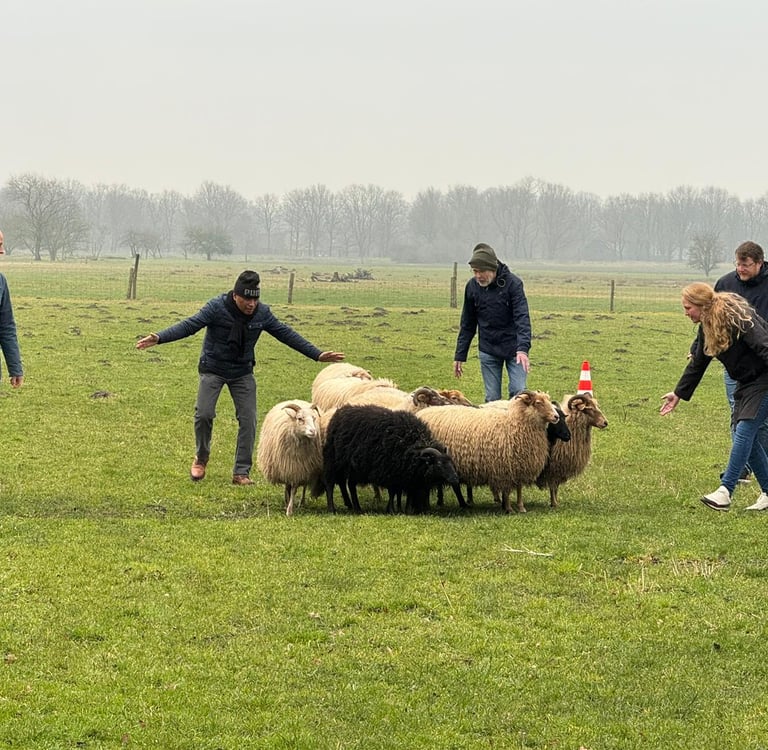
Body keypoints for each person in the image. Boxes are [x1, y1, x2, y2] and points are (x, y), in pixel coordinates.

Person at [136, 270, 344, 485]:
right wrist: (160, 337)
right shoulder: (216, 307)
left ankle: (241, 472)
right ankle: (201, 457)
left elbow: (285, 333)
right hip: (213, 368)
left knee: (248, 419)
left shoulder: (262, 313)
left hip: (242, 371)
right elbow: (190, 325)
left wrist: (316, 354)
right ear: (235, 295)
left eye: (255, 298)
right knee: (204, 415)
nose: (251, 304)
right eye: (247, 298)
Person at [660, 282, 768, 511]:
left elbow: (764, 345)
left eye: (688, 307)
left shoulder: (738, 316)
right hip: (746, 382)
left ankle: (725, 490)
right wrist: (678, 393)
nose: (685, 312)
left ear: (701, 305)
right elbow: (699, 362)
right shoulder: (707, 325)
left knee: (745, 429)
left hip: (764, 379)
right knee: (752, 437)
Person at [713, 241, 768, 481]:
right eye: (737, 264)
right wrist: (696, 350)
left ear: (759, 263)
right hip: (736, 363)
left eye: (745, 265)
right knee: (738, 414)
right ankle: (745, 468)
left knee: (755, 422)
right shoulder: (725, 284)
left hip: (764, 363)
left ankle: (739, 475)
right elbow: (709, 323)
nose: (740, 269)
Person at [453, 242, 531, 402]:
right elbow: (467, 323)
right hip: (488, 349)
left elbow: (522, 318)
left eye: (481, 271)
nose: (478, 276)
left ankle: (516, 427)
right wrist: (460, 355)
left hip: (514, 349)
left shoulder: (513, 284)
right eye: (475, 271)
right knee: (492, 398)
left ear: (493, 269)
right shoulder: (472, 287)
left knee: (518, 394)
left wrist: (522, 349)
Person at [0, 230, 24, 390]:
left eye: (1, 245)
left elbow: (6, 326)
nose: (2, 251)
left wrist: (15, 366)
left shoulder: (0, 281)